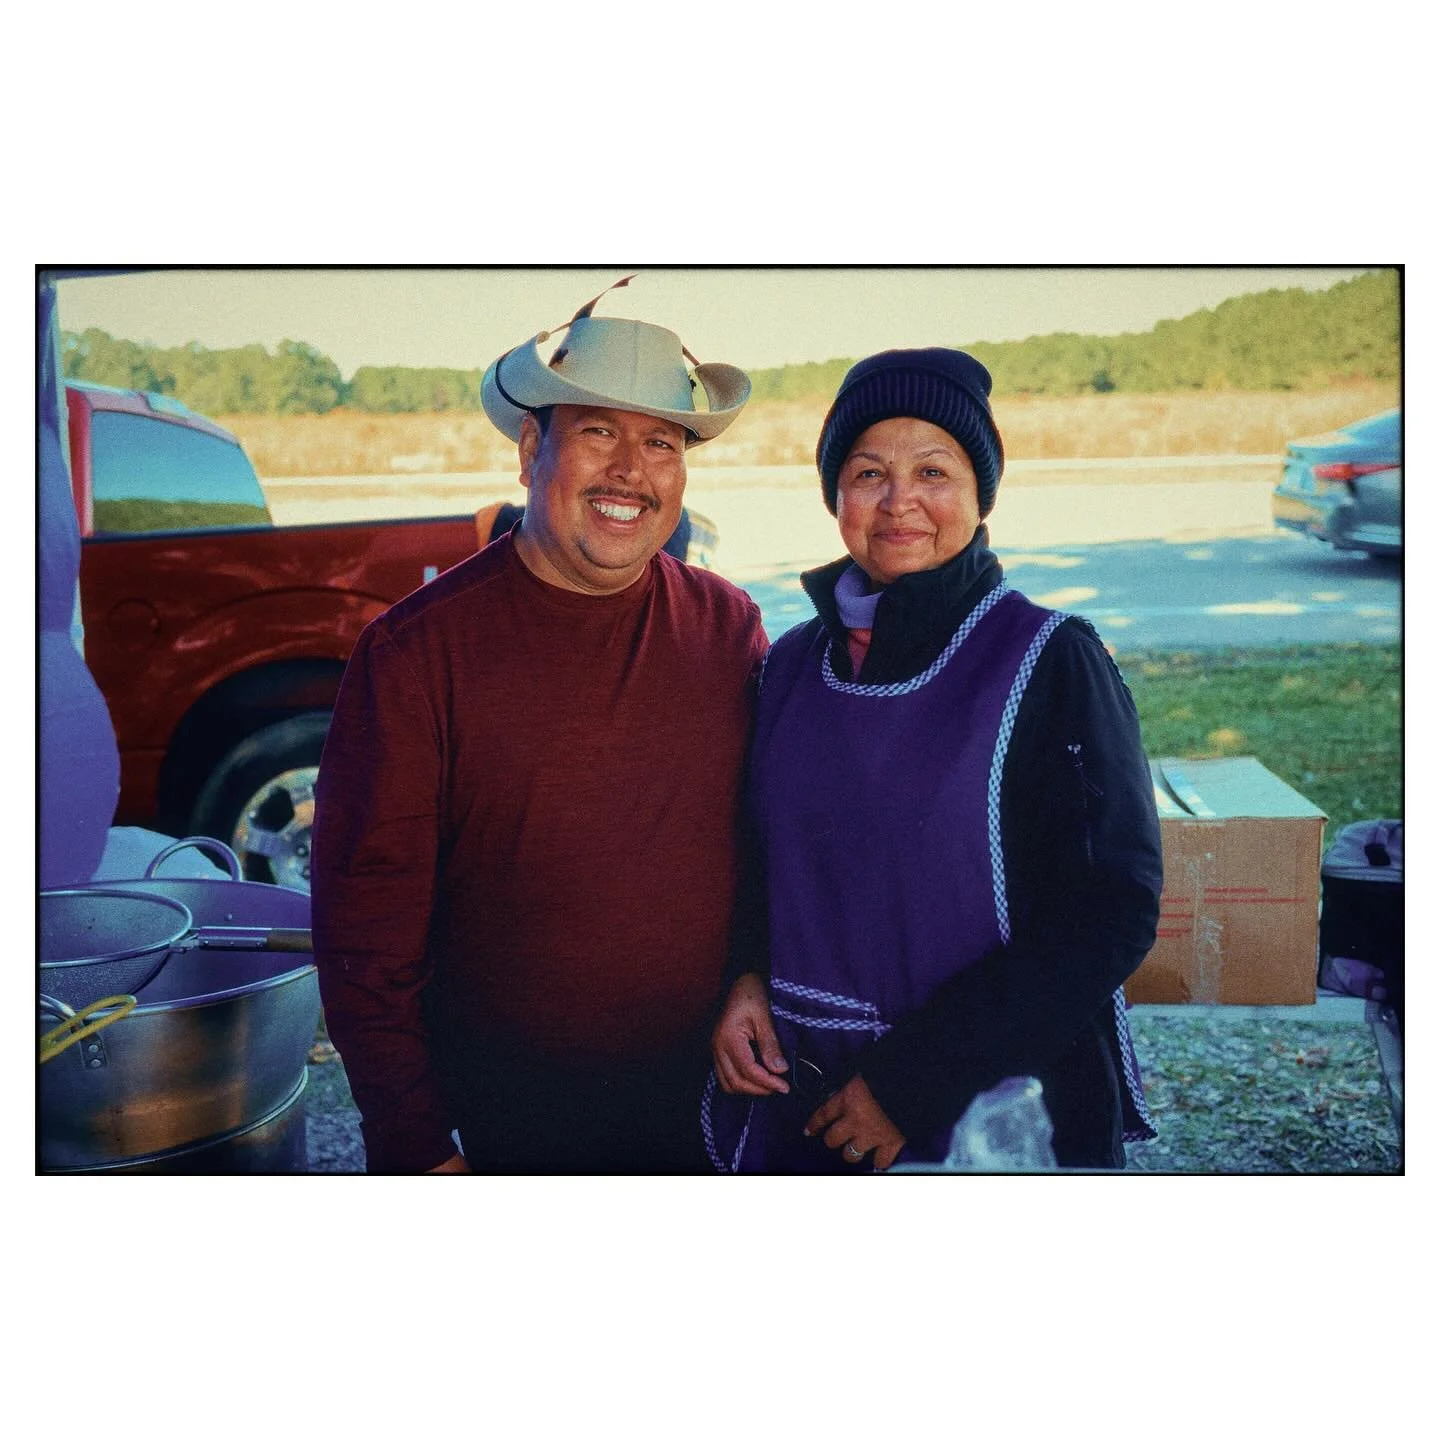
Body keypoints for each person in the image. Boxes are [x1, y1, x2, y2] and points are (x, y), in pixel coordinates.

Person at [312, 285, 768, 1174]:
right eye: (598, 431)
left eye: (662, 443)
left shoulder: (728, 628)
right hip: (503, 1126)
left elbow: (765, 839)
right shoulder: (414, 654)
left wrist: (753, 971)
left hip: (707, 1111)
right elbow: (365, 929)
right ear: (531, 448)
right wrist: (412, 1139)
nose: (631, 471)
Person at [707, 347, 1163, 1173]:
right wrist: (744, 978)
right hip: (800, 1091)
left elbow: (1109, 912)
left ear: (981, 492)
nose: (900, 502)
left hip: (990, 1106)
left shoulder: (1049, 660)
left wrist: (909, 1084)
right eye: (868, 471)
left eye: (935, 472)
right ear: (835, 494)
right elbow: (758, 856)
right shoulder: (789, 665)